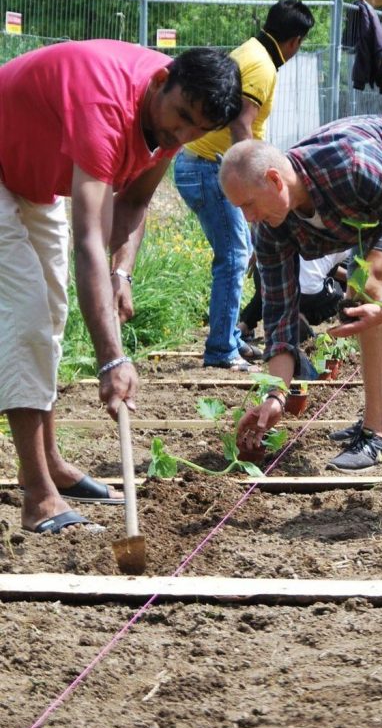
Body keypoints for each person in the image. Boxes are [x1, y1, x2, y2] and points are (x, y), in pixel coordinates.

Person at [0, 39, 242, 534]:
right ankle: (38, 495)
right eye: (181, 118)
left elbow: (133, 202)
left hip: (29, 177)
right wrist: (112, 359)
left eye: (197, 130)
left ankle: (50, 463)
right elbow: (88, 238)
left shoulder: (173, 115)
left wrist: (121, 274)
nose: (182, 134)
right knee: (25, 318)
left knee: (53, 314)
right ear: (161, 81)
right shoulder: (106, 106)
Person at [218, 116, 382, 472]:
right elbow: (280, 317)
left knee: (368, 286)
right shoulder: (271, 229)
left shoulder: (352, 167)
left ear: (274, 180)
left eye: (249, 205)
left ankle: (378, 437)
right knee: (361, 295)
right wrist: (276, 396)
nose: (249, 218)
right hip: (378, 187)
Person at [174, 0, 315, 372]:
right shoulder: (263, 66)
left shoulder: (253, 52)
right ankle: (221, 349)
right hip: (209, 167)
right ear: (295, 41)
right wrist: (252, 185)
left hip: (204, 165)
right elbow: (241, 123)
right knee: (235, 255)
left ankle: (230, 338)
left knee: (241, 251)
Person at [239, 250, 349, 343]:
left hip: (264, 271)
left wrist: (253, 259)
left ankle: (242, 327)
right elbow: (331, 269)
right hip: (303, 291)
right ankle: (298, 317)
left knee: (268, 292)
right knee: (338, 297)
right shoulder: (347, 240)